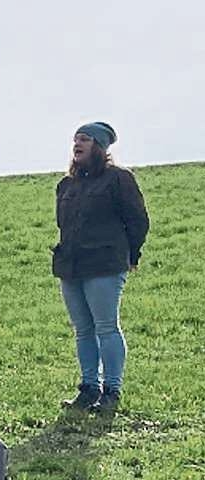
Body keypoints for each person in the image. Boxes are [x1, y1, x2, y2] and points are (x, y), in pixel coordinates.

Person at [54, 121, 150, 415]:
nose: (77, 144)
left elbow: (138, 221)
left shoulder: (119, 179)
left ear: (99, 146)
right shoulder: (66, 185)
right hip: (71, 266)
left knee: (106, 327)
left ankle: (112, 390)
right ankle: (88, 388)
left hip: (105, 264)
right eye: (75, 140)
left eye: (84, 139)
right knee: (83, 330)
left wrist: (131, 256)